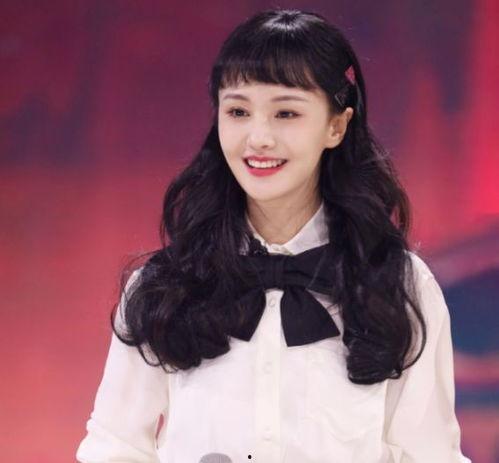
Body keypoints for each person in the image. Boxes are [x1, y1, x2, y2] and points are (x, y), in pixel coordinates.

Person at [76, 8, 471, 463]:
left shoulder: (401, 285)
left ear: (336, 125)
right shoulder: (163, 287)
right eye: (238, 111)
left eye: (286, 112)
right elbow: (114, 448)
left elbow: (430, 454)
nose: (258, 138)